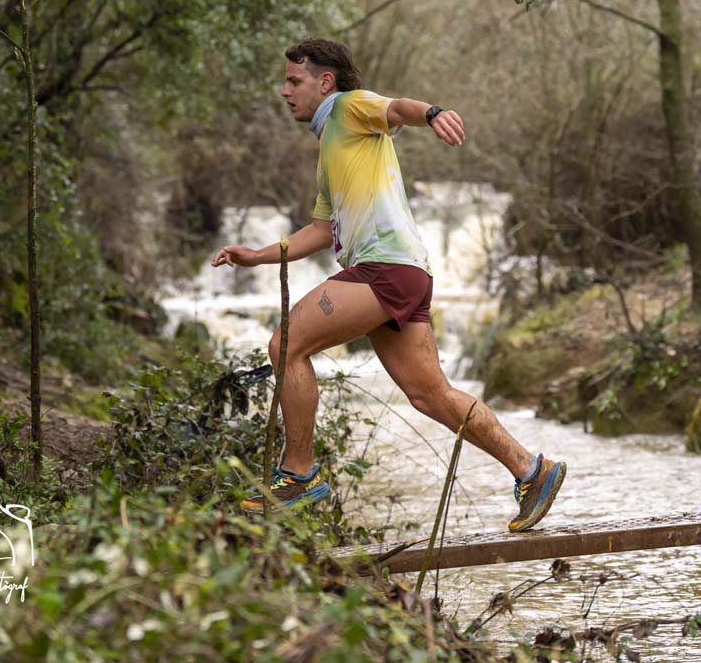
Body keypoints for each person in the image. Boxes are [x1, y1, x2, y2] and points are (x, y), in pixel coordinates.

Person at [211, 38, 566, 532]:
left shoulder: (349, 108)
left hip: (384, 269)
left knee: (286, 344)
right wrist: (258, 255)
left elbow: (396, 108)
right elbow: (321, 230)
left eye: (294, 81)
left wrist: (432, 113)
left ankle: (299, 474)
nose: (284, 91)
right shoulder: (330, 145)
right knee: (431, 395)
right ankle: (532, 469)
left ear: (325, 82)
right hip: (405, 273)